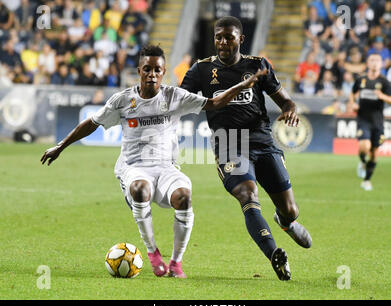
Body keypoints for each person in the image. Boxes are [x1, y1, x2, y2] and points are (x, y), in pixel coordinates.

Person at [40, 45, 266, 278]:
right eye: (147, 69)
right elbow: (92, 123)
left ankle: (176, 263)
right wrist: (60, 146)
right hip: (134, 168)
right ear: (139, 70)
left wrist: (242, 85)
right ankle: (152, 253)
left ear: (164, 71)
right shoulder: (123, 100)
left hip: (167, 168)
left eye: (157, 70)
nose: (152, 74)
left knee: (184, 196)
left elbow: (214, 102)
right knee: (140, 189)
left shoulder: (174, 96)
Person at [180, 16, 312, 281]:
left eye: (229, 37)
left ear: (241, 39)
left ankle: (285, 222)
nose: (223, 42)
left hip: (263, 142)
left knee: (290, 210)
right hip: (229, 144)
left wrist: (290, 112)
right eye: (218, 37)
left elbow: (286, 101)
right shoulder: (201, 70)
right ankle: (275, 255)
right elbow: (179, 101)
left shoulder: (257, 66)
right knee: (248, 196)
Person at [348, 53, 391, 191]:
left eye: (377, 60)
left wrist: (382, 96)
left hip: (378, 122)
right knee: (364, 147)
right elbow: (352, 94)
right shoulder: (361, 80)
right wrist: (352, 104)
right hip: (363, 119)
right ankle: (362, 162)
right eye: (372, 60)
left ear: (381, 64)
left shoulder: (385, 82)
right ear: (367, 63)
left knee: (373, 153)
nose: (374, 63)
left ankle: (366, 180)